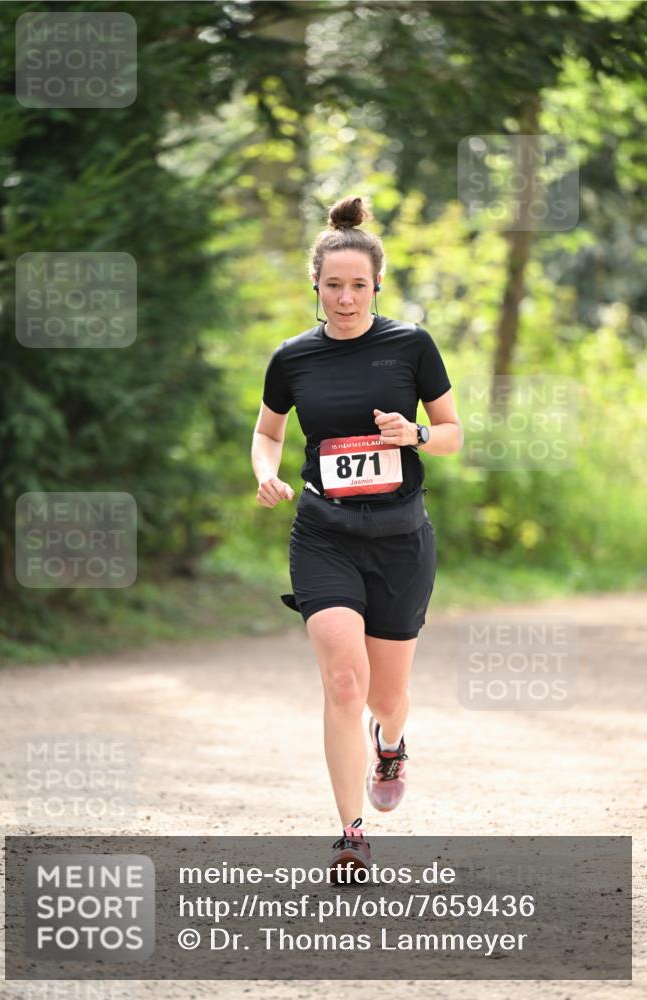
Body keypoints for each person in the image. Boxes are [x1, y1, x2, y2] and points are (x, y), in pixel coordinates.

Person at [251, 194, 462, 881]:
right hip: (323, 535)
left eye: (358, 286)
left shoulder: (410, 346)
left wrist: (416, 434)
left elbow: (453, 434)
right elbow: (268, 431)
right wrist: (266, 474)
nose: (345, 297)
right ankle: (349, 834)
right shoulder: (292, 358)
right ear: (315, 285)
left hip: (400, 539)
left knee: (384, 698)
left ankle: (391, 744)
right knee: (344, 679)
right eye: (333, 285)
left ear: (376, 286)